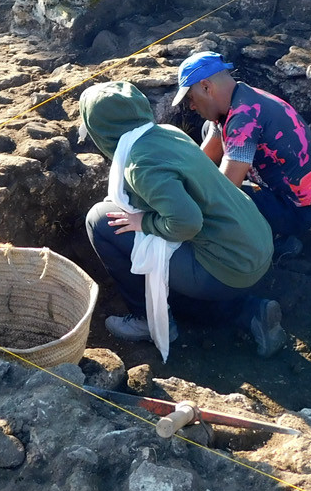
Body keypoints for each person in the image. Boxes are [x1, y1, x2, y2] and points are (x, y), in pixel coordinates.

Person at [80, 81, 285, 357]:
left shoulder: (139, 165)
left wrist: (145, 223)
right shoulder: (167, 133)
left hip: (229, 268)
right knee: (170, 271)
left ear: (101, 131)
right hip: (256, 244)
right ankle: (251, 312)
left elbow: (187, 223)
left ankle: (145, 318)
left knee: (100, 221)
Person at [171, 51, 311, 259]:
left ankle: (275, 239)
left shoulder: (244, 119)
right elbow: (205, 158)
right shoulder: (241, 96)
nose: (191, 106)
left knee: (228, 202)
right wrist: (182, 180)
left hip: (297, 211)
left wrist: (179, 209)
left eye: (191, 98)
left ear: (206, 87)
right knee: (208, 129)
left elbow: (224, 193)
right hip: (300, 194)